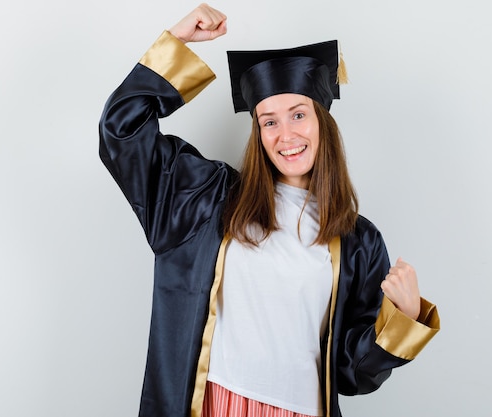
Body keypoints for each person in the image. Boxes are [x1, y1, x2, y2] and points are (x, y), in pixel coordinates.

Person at [99, 4, 440, 417]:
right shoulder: (208, 199)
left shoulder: (357, 241)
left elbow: (352, 375)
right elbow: (122, 134)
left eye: (298, 115)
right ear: (258, 132)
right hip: (211, 404)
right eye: (269, 121)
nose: (286, 135)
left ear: (322, 122)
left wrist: (403, 319)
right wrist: (177, 40)